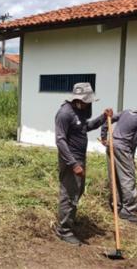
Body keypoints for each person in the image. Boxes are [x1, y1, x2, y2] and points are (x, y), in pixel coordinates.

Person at [54, 82, 113, 245]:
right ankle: (63, 230)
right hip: (71, 160)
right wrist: (73, 164)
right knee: (69, 194)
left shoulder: (79, 111)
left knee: (77, 192)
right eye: (88, 101)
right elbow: (60, 141)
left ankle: (69, 220)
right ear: (79, 99)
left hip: (79, 159)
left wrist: (103, 118)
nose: (89, 104)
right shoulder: (64, 113)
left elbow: (85, 127)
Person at [100, 105, 137, 223]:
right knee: (128, 178)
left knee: (115, 176)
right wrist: (131, 157)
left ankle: (116, 205)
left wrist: (103, 137)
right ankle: (127, 210)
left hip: (111, 145)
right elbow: (135, 140)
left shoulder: (126, 112)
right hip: (123, 148)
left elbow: (108, 119)